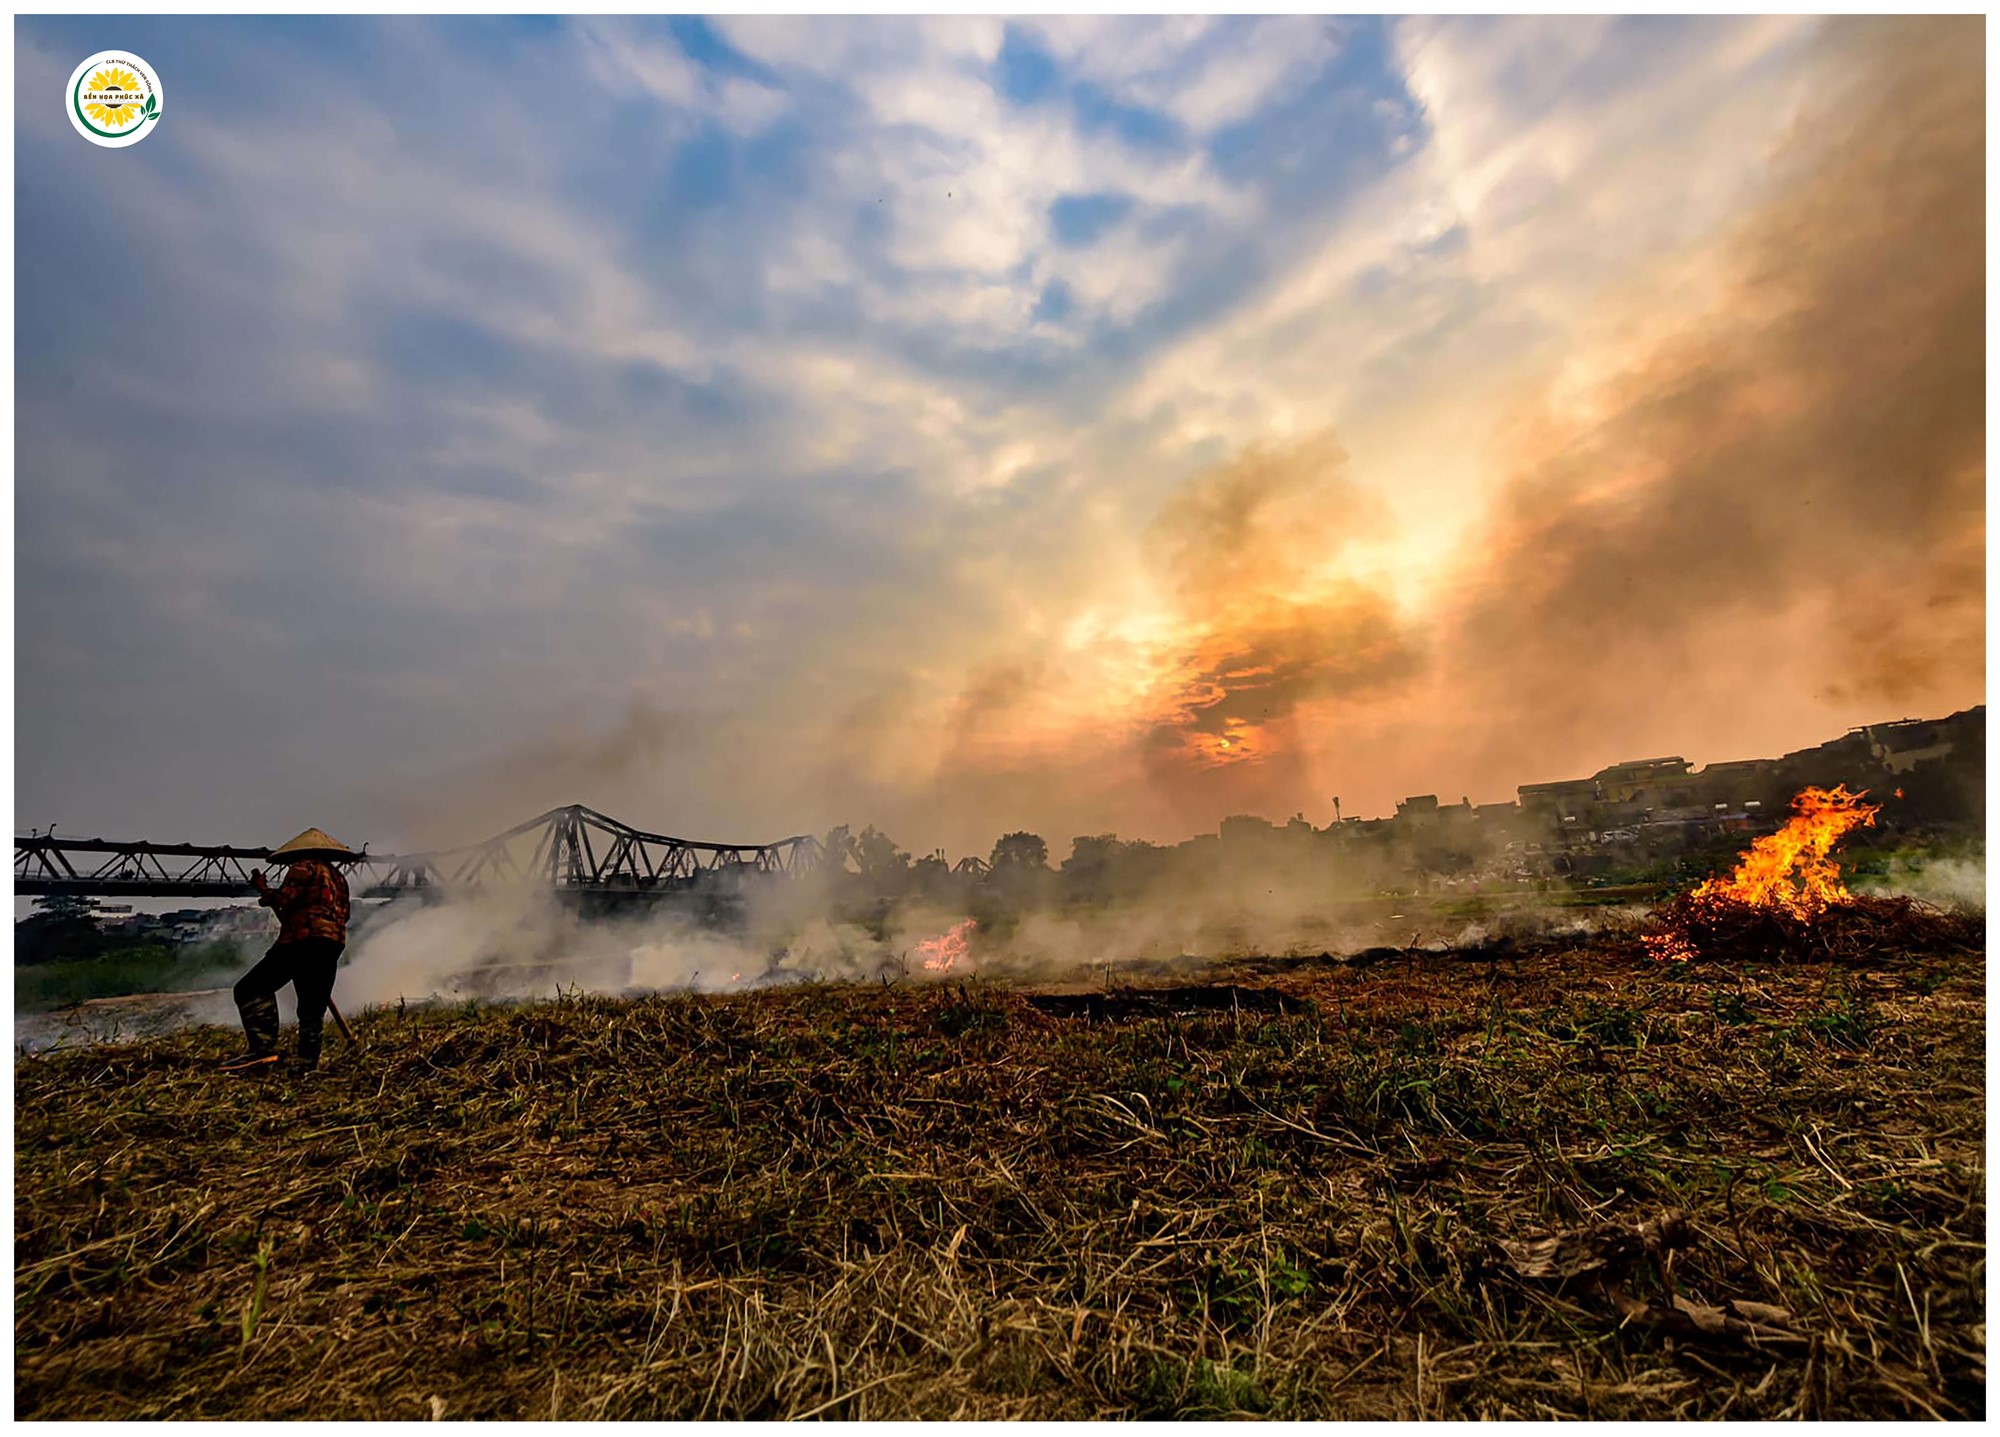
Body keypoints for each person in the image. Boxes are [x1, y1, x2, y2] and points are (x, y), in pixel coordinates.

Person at [221, 828, 354, 1073]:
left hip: (301, 940)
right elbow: (345, 914)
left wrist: (263, 888)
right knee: (312, 1006)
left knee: (250, 988)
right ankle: (306, 1063)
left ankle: (261, 1050)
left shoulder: (302, 867)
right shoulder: (338, 878)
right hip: (332, 942)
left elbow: (285, 899)